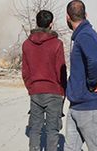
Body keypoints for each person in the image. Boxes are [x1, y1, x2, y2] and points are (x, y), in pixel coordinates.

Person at [64, 0, 97, 151]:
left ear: (67, 18)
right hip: (76, 105)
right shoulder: (81, 36)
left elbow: (95, 62)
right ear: (86, 15)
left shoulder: (86, 36)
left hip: (91, 108)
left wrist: (92, 83)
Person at [22, 10, 67, 151]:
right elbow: (61, 70)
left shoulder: (27, 44)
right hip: (53, 92)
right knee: (52, 130)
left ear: (37, 22)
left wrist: (31, 88)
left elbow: (25, 72)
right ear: (51, 24)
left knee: (35, 129)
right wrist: (62, 91)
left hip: (35, 92)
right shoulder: (57, 44)